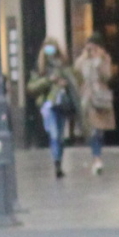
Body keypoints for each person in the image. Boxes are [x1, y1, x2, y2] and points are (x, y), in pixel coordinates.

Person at [74, 38, 118, 173]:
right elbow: (76, 75)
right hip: (87, 99)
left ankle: (97, 156)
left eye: (93, 48)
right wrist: (83, 58)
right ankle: (96, 158)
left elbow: (107, 76)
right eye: (88, 48)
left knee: (99, 130)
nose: (91, 51)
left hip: (100, 99)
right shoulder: (82, 61)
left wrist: (100, 61)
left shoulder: (104, 59)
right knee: (92, 130)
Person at [31, 39, 74, 175]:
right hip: (48, 105)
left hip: (62, 103)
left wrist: (65, 83)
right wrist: (49, 80)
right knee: (54, 135)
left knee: (60, 136)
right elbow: (32, 86)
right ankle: (56, 163)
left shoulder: (63, 65)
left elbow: (73, 80)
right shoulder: (39, 68)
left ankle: (59, 160)